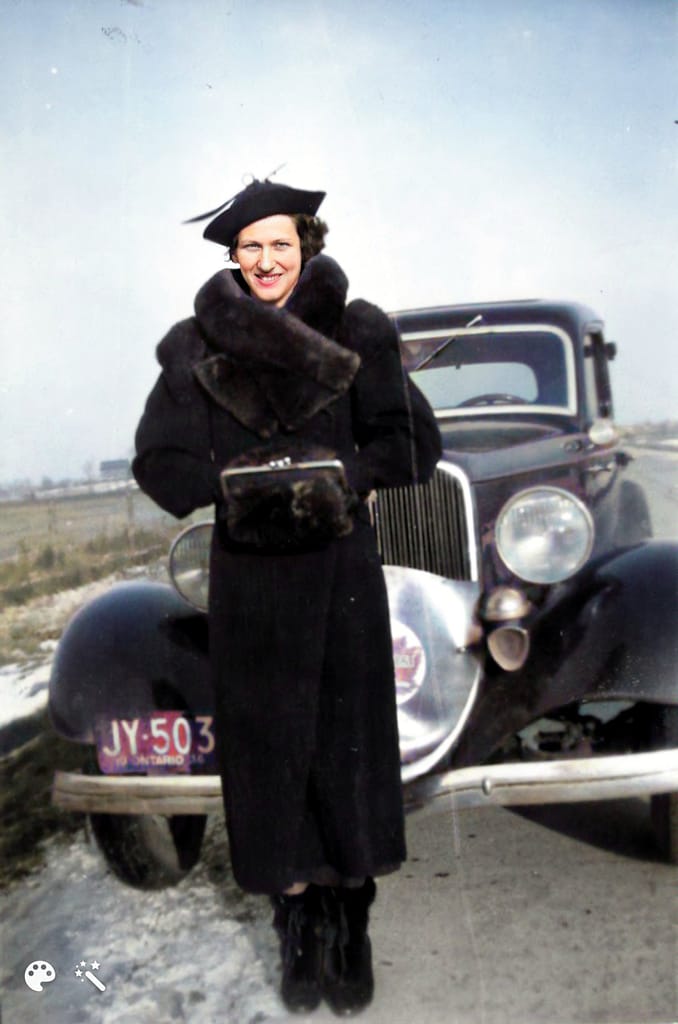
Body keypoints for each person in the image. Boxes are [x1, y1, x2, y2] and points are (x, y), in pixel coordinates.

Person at [132, 177, 442, 1015]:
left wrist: (343, 474)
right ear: (233, 257)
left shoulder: (360, 330)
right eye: (251, 247)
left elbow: (414, 442)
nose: (267, 261)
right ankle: (296, 930)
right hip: (253, 597)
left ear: (306, 245)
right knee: (273, 770)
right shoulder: (192, 348)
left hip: (342, 583)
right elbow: (158, 467)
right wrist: (237, 482)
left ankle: (353, 925)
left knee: (345, 758)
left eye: (281, 244)